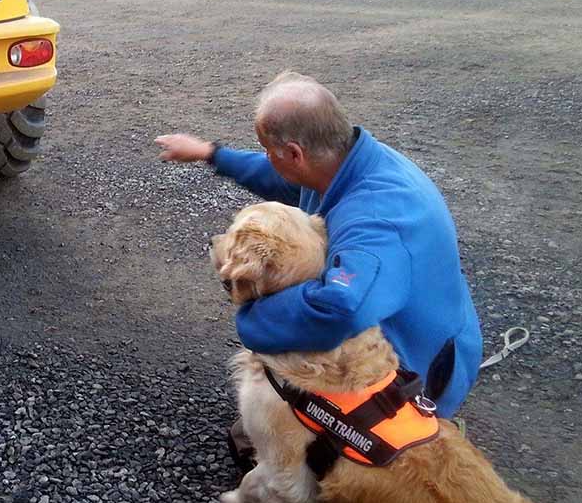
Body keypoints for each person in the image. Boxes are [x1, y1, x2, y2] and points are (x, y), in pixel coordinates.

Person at [156, 71, 482, 432]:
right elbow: (282, 176)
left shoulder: (376, 217)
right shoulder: (344, 161)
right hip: (407, 327)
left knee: (264, 432)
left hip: (423, 373)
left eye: (269, 150)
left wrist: (252, 317)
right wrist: (211, 154)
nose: (267, 158)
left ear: (295, 152)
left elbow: (340, 311)